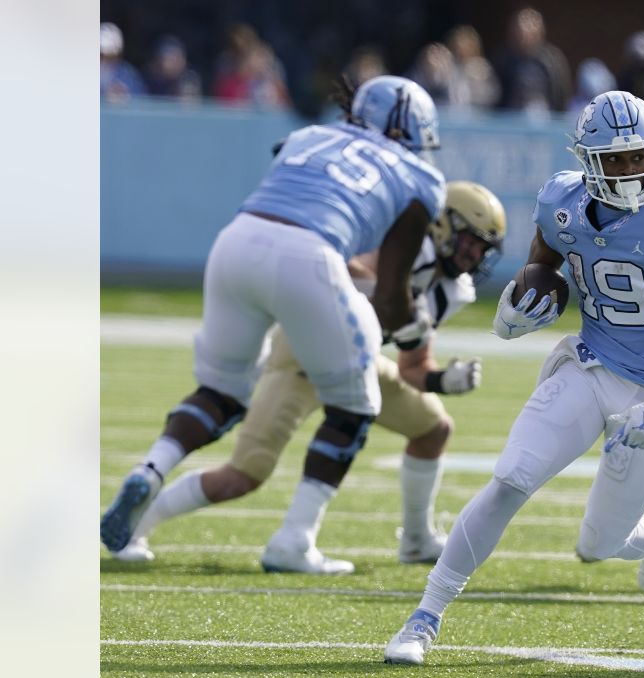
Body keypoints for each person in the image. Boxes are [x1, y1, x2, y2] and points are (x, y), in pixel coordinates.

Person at [383, 90, 644, 665]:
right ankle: (425, 617)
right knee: (509, 480)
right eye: (617, 159)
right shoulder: (561, 201)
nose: (631, 170)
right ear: (588, 161)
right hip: (589, 364)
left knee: (599, 544)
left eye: (640, 156)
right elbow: (542, 267)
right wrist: (519, 305)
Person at [101, 76, 448, 566]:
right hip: (309, 255)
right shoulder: (420, 177)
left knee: (220, 393)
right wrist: (416, 333)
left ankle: (152, 469)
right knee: (354, 404)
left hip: (237, 241)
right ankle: (295, 541)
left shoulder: (309, 135)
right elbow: (390, 295)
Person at [109, 181, 505, 573]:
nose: (474, 254)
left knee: (432, 428)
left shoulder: (452, 290)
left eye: (482, 247)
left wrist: (440, 381)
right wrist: (396, 295)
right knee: (243, 476)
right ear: (442, 224)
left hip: (357, 360)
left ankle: (415, 541)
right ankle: (136, 524)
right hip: (303, 352)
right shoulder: (406, 247)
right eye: (470, 240)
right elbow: (343, 266)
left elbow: (412, 365)